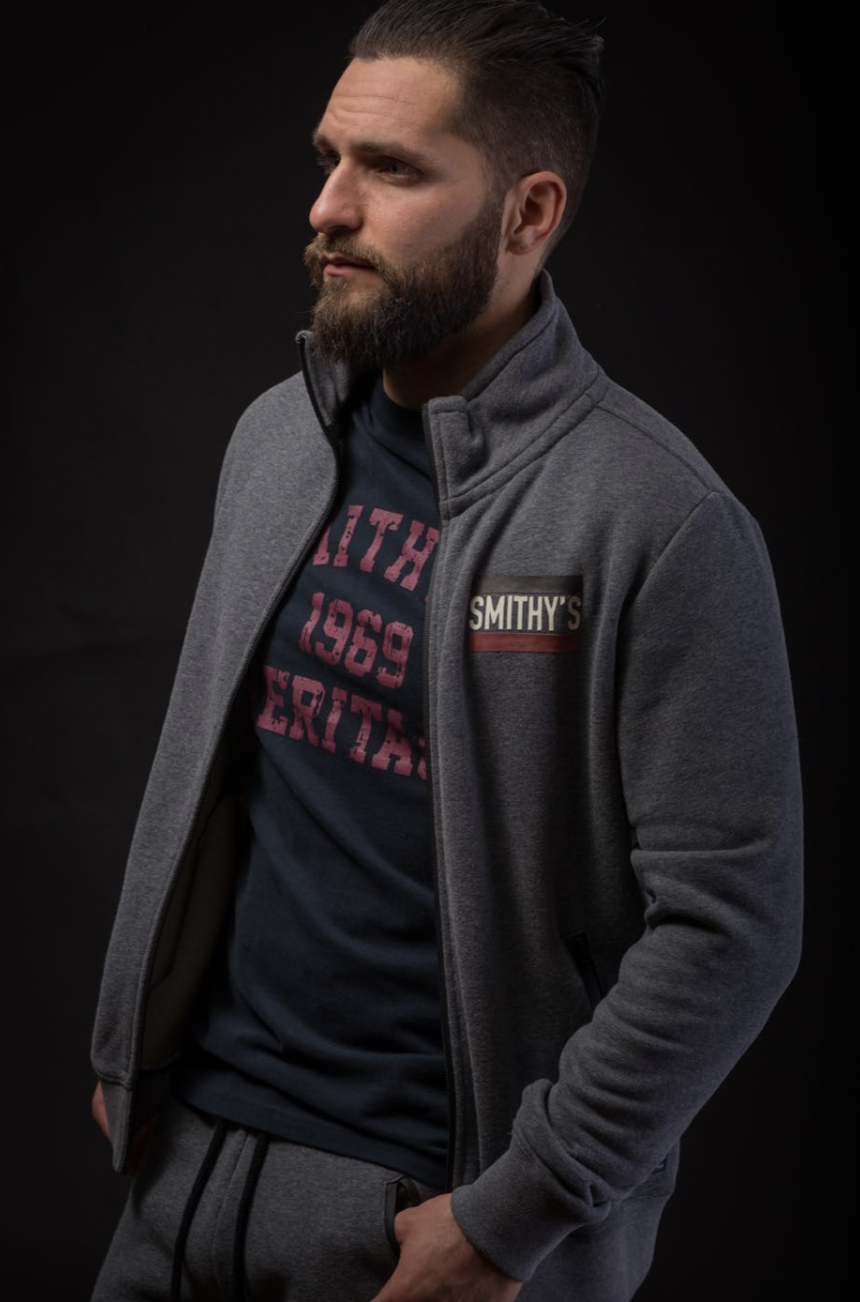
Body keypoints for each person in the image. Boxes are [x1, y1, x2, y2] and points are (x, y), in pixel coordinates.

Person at [89, 2, 804, 1299]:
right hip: (181, 1168)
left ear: (530, 213)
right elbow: (211, 771)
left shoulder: (659, 520)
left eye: (393, 169)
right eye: (330, 158)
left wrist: (515, 1210)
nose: (327, 208)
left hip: (424, 1220)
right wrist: (126, 1045)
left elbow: (734, 926)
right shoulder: (274, 440)